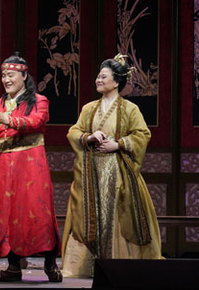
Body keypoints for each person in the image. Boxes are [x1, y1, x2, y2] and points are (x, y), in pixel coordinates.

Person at [61, 54, 162, 278]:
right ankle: (85, 267)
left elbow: (142, 134)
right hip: (91, 173)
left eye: (103, 76)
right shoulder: (89, 108)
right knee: (88, 215)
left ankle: (120, 266)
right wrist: (89, 137)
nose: (98, 80)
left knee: (118, 215)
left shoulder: (129, 109)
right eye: (98, 76)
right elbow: (73, 131)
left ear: (116, 82)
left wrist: (118, 144)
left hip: (117, 173)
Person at [0, 52, 62, 282]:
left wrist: (7, 120)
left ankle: (50, 262)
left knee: (37, 212)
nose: (6, 80)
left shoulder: (39, 100)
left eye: (10, 75)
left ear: (23, 75)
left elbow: (37, 122)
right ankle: (13, 266)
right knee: (7, 214)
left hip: (30, 165)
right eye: (3, 76)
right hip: (3, 166)